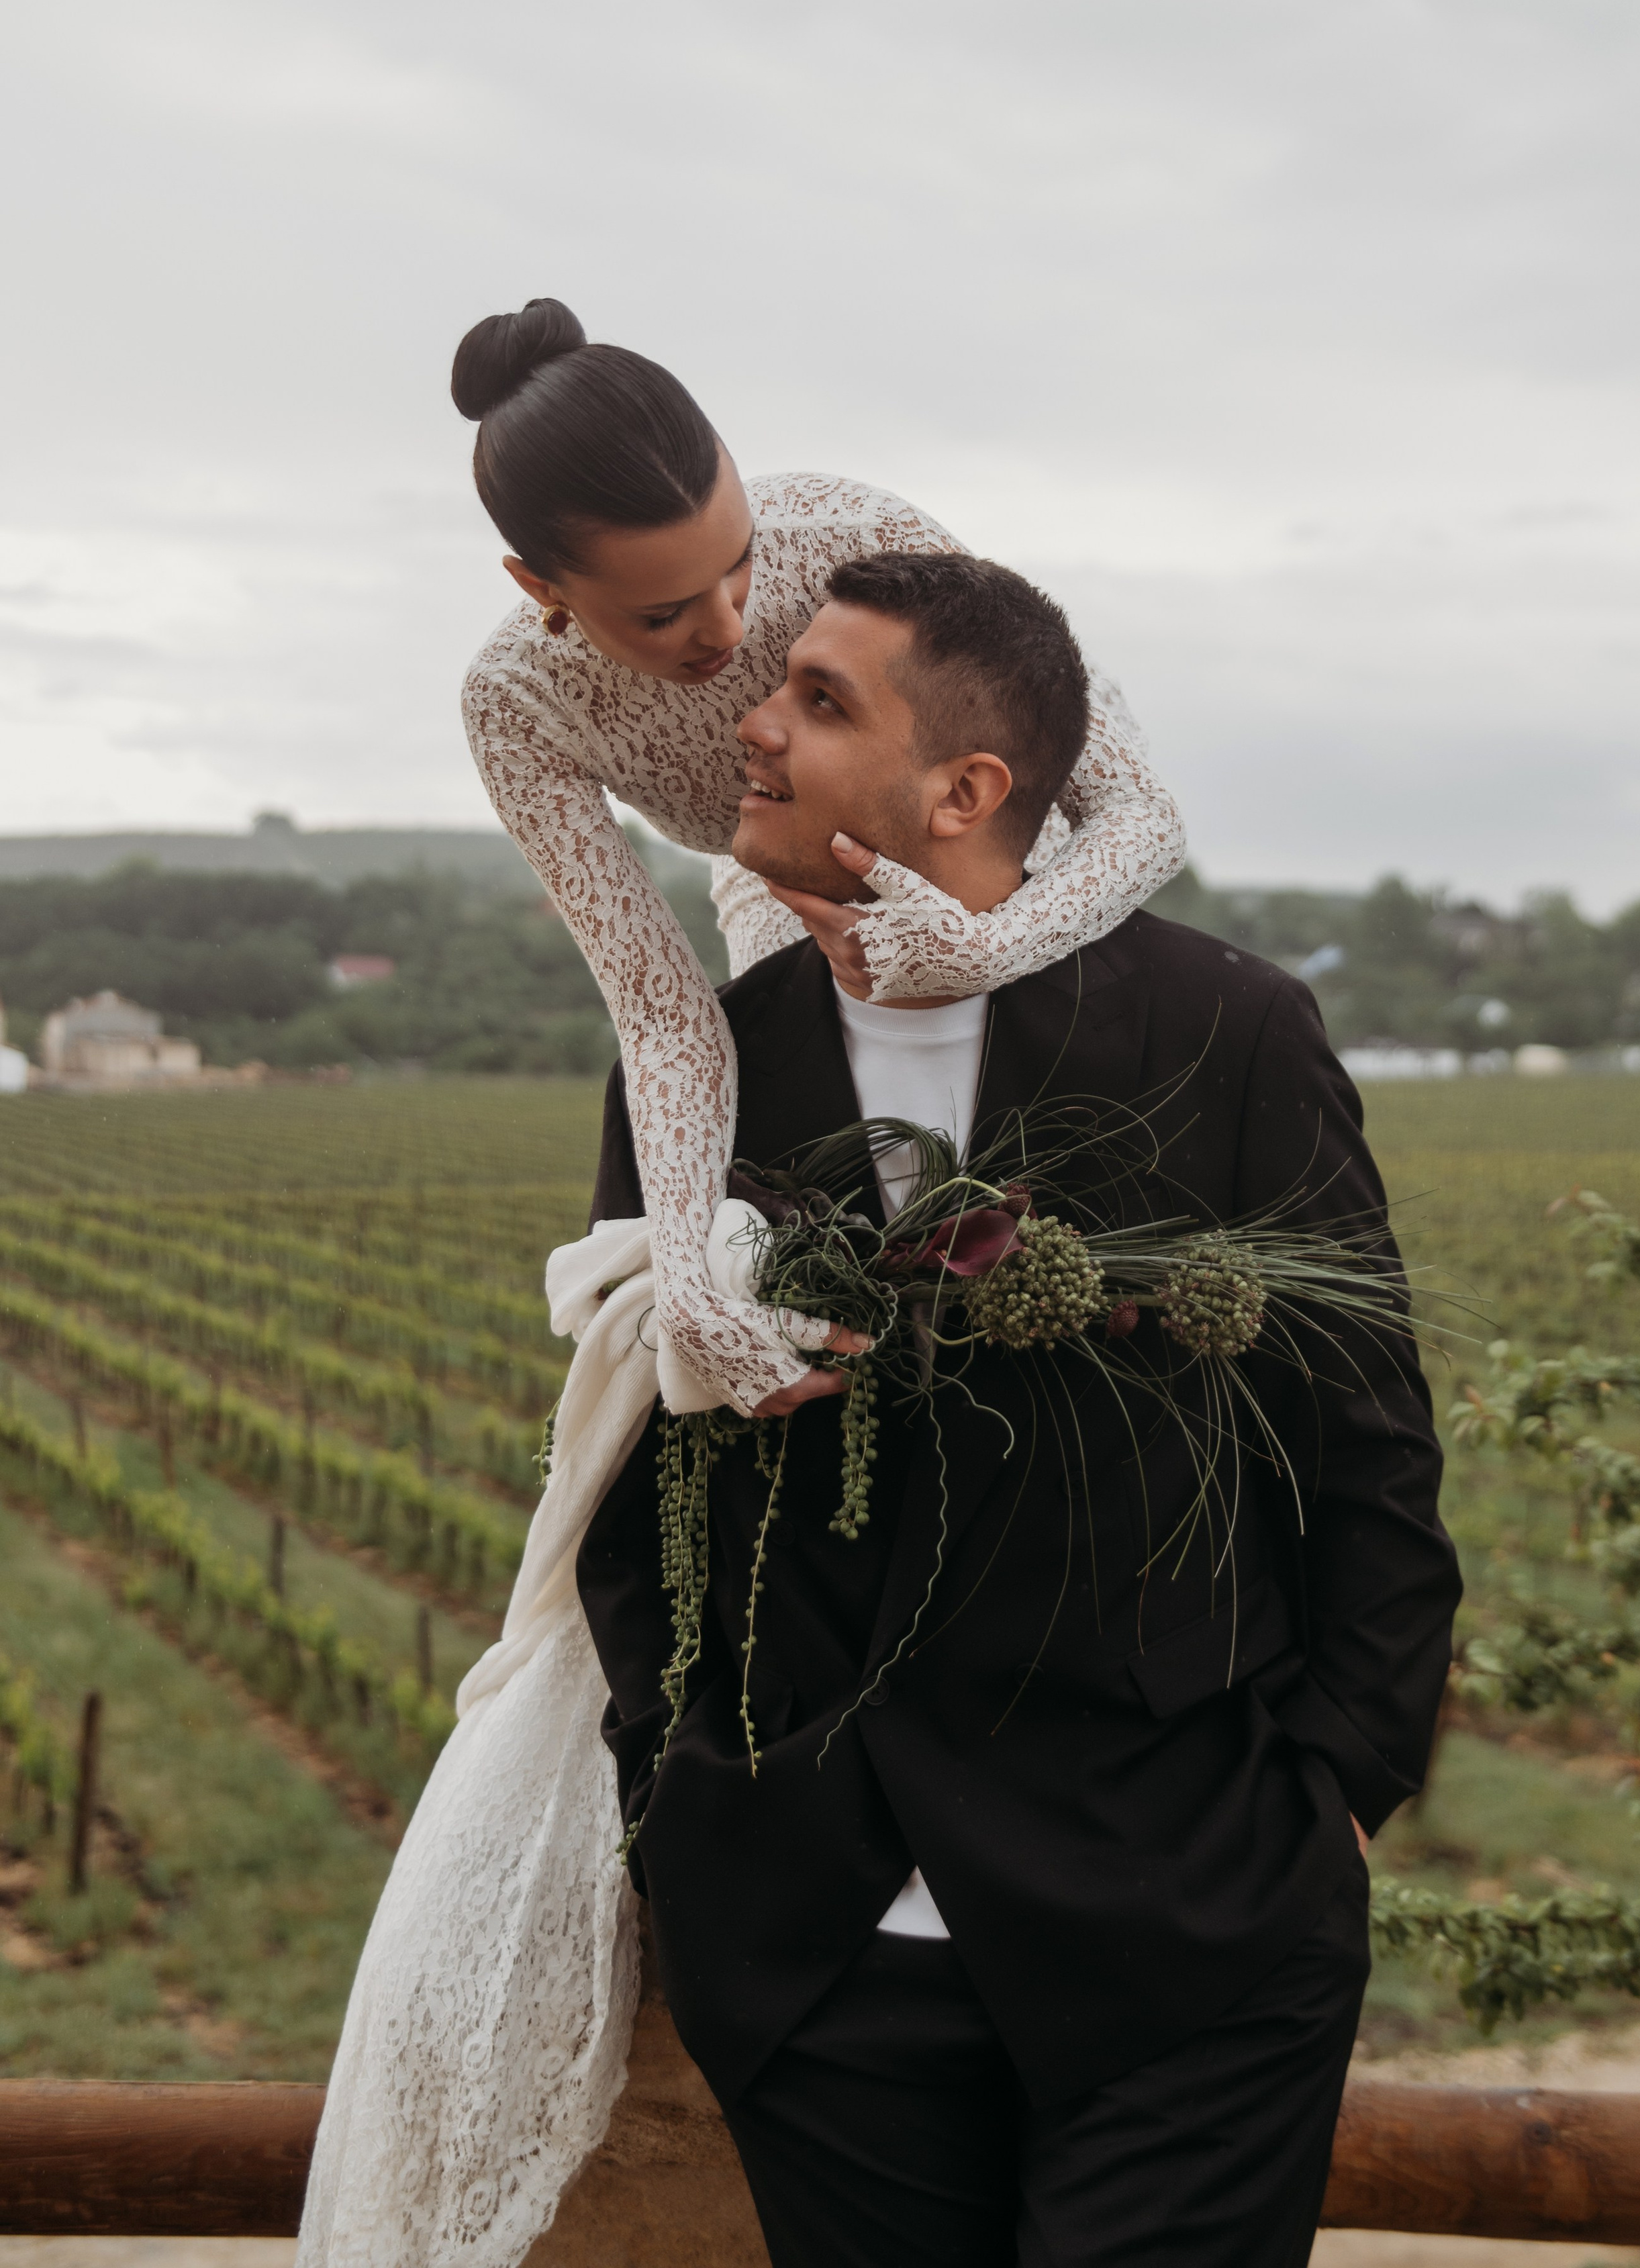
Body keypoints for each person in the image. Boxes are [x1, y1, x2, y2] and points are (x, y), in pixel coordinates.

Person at [576, 553, 1463, 2268]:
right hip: (818, 1948)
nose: (745, 725)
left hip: (1191, 1932)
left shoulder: (1228, 1033)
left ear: (964, 790)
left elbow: (1364, 1448)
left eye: (820, 699)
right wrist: (670, 1799)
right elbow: (635, 1467)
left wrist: (1331, 1792)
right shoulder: (698, 1066)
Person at [456, 299, 1186, 1417]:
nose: (729, 630)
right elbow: (662, 1017)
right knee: (823, 1213)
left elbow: (1139, 813)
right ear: (540, 588)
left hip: (996, 880)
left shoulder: (851, 527)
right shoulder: (516, 707)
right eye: (663, 615)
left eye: (741, 563)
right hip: (775, 901)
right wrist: (694, 1290)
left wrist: (984, 947)